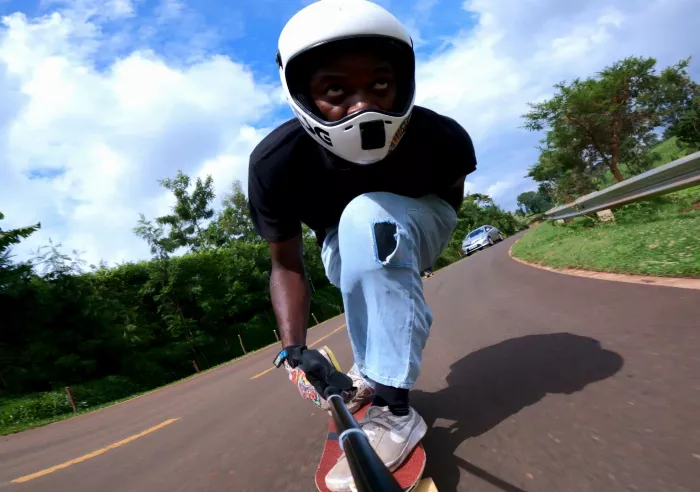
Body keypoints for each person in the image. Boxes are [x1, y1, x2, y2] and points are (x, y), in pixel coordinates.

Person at [247, 0, 477, 489]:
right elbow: (287, 265)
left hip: (424, 220)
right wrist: (293, 349)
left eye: (379, 84)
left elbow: (449, 202)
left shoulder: (442, 136)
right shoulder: (276, 163)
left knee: (369, 217)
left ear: (403, 81)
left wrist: (407, 247)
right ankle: (372, 371)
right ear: (301, 95)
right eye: (334, 89)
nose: (364, 105)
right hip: (343, 245)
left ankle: (395, 410)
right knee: (359, 230)